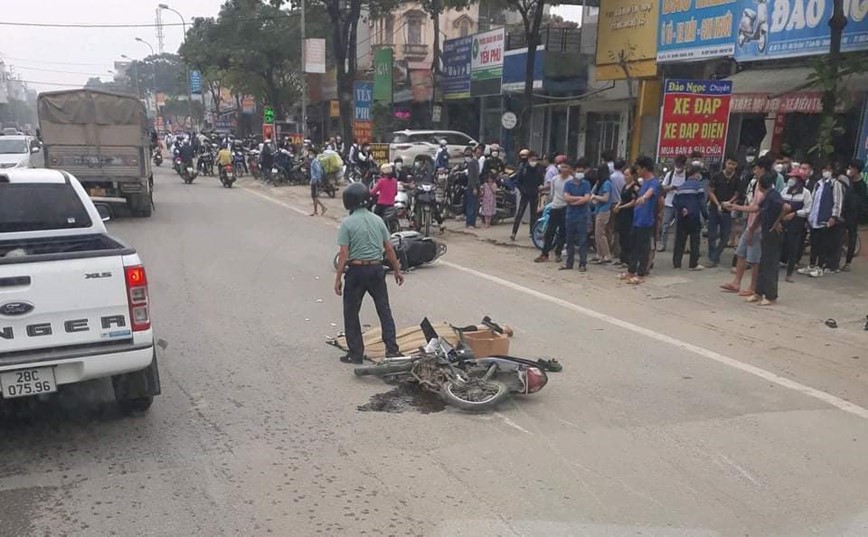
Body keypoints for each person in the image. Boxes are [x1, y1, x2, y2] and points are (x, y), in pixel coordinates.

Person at [334, 183, 405, 364]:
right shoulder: (378, 220)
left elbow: (343, 254)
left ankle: (356, 354)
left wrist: (338, 278)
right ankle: (392, 350)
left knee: (351, 312)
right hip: (376, 270)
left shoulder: (347, 224)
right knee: (384, 310)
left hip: (356, 272)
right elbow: (389, 249)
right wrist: (397, 270)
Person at [721, 156, 774, 296]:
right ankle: (736, 282)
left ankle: (753, 287)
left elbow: (758, 208)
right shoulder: (756, 183)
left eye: (756, 168)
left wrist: (736, 207)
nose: (754, 170)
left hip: (757, 226)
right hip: (750, 222)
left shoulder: (766, 186)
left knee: (754, 258)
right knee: (741, 252)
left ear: (762, 168)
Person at [749, 174, 790, 306]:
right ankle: (758, 292)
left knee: (771, 265)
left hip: (774, 234)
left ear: (760, 185)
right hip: (766, 233)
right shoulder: (767, 197)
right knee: (763, 262)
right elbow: (758, 211)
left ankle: (771, 296)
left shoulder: (774, 196)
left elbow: (786, 208)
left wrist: (777, 222)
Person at [620, 156, 661, 285]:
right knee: (633, 246)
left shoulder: (654, 183)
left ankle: (641, 273)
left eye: (638, 168)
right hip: (637, 219)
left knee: (643, 248)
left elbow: (650, 193)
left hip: (646, 220)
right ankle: (631, 271)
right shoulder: (642, 183)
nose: (637, 171)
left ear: (644, 168)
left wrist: (643, 197)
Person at [804, 162, 845, 277]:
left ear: (832, 171)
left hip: (825, 219)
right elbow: (813, 200)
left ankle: (820, 266)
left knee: (823, 245)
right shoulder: (818, 184)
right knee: (814, 244)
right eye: (824, 169)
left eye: (828, 169)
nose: (826, 172)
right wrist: (809, 216)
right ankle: (811, 265)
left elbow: (837, 202)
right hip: (814, 218)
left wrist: (833, 217)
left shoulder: (834, 184)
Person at [706, 155, 740, 267]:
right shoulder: (717, 176)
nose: (731, 166)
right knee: (711, 234)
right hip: (714, 208)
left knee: (725, 236)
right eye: (729, 163)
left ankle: (715, 255)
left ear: (736, 166)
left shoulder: (737, 179)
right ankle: (712, 257)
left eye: (733, 164)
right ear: (726, 163)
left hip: (728, 210)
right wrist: (718, 204)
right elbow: (710, 191)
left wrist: (729, 202)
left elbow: (737, 194)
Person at [535, 157, 569, 263]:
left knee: (563, 232)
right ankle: (545, 253)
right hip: (555, 207)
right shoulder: (555, 179)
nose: (563, 169)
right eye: (562, 166)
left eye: (565, 167)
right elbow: (552, 194)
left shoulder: (571, 181)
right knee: (550, 231)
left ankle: (558, 253)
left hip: (565, 208)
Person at [672, 164, 707, 270]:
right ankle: (693, 264)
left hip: (682, 217)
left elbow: (674, 201)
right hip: (694, 217)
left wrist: (681, 209)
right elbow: (702, 203)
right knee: (695, 241)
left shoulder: (681, 187)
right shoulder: (698, 186)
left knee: (680, 241)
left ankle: (677, 263)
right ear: (696, 174)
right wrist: (706, 215)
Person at [780, 168, 812, 281]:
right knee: (779, 245)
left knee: (792, 249)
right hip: (782, 222)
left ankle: (789, 274)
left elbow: (808, 210)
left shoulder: (806, 193)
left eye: (793, 178)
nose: (790, 180)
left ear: (799, 180)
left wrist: (795, 213)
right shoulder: (785, 191)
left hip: (797, 224)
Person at [560, 158, 592, 271]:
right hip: (570, 216)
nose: (579, 174)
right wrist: (579, 198)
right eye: (578, 171)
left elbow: (587, 199)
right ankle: (569, 263)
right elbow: (566, 198)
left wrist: (573, 201)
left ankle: (582, 264)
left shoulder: (586, 184)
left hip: (582, 216)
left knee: (583, 241)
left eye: (581, 171)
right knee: (569, 240)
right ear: (573, 172)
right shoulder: (568, 184)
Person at [511, 149, 543, 240]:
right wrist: (522, 190)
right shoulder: (523, 168)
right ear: (528, 159)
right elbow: (518, 181)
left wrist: (540, 188)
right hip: (525, 194)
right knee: (520, 214)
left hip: (535, 194)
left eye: (535, 159)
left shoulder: (539, 169)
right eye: (532, 159)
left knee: (534, 215)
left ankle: (532, 232)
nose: (534, 161)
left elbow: (541, 180)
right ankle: (514, 232)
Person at [658, 154, 687, 252]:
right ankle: (662, 244)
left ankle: (678, 246)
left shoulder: (686, 176)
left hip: (681, 204)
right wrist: (670, 187)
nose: (678, 168)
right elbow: (662, 187)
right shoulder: (670, 174)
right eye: (677, 165)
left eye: (680, 166)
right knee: (665, 224)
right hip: (669, 203)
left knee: (679, 226)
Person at [842, 159, 867, 271]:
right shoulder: (847, 181)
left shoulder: (862, 186)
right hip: (842, 212)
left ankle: (848, 262)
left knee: (851, 236)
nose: (849, 170)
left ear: (856, 170)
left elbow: (862, 203)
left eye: (851, 168)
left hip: (853, 215)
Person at [614, 165, 639, 267]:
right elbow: (621, 198)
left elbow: (633, 202)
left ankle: (629, 260)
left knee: (628, 238)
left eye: (627, 175)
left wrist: (622, 207)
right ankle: (622, 258)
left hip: (630, 214)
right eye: (624, 175)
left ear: (632, 175)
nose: (625, 177)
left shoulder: (635, 187)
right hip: (622, 215)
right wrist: (618, 205)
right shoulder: (625, 186)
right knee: (622, 237)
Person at [590, 164, 613, 264]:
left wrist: (595, 197)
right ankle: (599, 254)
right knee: (597, 234)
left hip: (604, 210)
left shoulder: (607, 183)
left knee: (600, 234)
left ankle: (607, 254)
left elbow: (606, 198)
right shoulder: (600, 183)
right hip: (598, 209)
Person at [463, 146, 480, 228]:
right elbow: (470, 177)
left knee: (475, 205)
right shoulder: (471, 163)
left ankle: (473, 223)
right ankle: (469, 223)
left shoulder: (475, 162)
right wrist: (473, 188)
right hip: (472, 186)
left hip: (476, 185)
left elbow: (476, 176)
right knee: (471, 205)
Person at [309, 148, 327, 216]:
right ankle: (316, 210)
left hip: (315, 180)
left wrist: (316, 179)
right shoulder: (315, 161)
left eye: (311, 153)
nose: (310, 155)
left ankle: (322, 208)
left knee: (314, 196)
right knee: (314, 196)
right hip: (314, 180)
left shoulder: (314, 161)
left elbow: (318, 171)